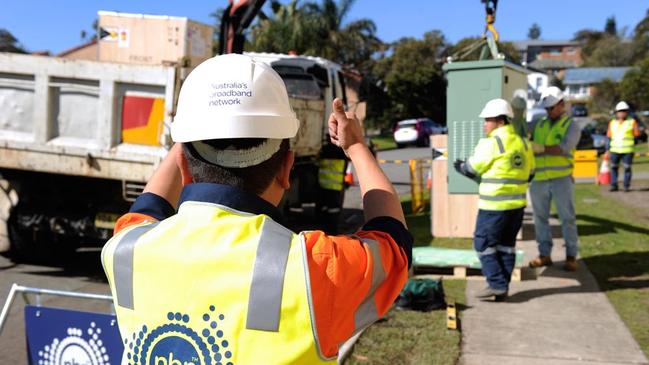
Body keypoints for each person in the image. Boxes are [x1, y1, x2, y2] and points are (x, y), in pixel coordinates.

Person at [101, 54, 412, 364]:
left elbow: (149, 205)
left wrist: (189, 134)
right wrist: (356, 147)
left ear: (184, 164)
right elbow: (393, 242)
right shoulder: (316, 269)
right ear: (286, 169)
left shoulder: (126, 249)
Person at [454, 99, 535, 301]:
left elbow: (472, 169)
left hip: (493, 206)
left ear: (499, 121)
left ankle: (497, 284)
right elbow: (531, 173)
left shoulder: (492, 143)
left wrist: (459, 166)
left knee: (482, 244)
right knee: (506, 246)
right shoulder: (524, 143)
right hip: (517, 206)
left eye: (487, 120)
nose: (484, 125)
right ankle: (502, 287)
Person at [528, 86, 581, 272]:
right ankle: (544, 255)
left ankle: (571, 256)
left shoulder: (571, 126)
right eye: (546, 108)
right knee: (540, 218)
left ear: (561, 105)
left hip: (561, 179)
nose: (549, 111)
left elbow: (564, 147)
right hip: (539, 179)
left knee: (567, 218)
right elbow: (521, 133)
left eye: (552, 107)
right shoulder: (538, 123)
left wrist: (541, 148)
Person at [607, 101, 641, 192]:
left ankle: (626, 186)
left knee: (627, 168)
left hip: (627, 150)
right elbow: (609, 137)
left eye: (624, 111)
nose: (622, 113)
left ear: (627, 112)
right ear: (616, 112)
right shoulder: (612, 123)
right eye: (620, 111)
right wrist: (607, 150)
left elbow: (637, 135)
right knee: (614, 167)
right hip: (614, 150)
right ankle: (614, 185)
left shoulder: (632, 122)